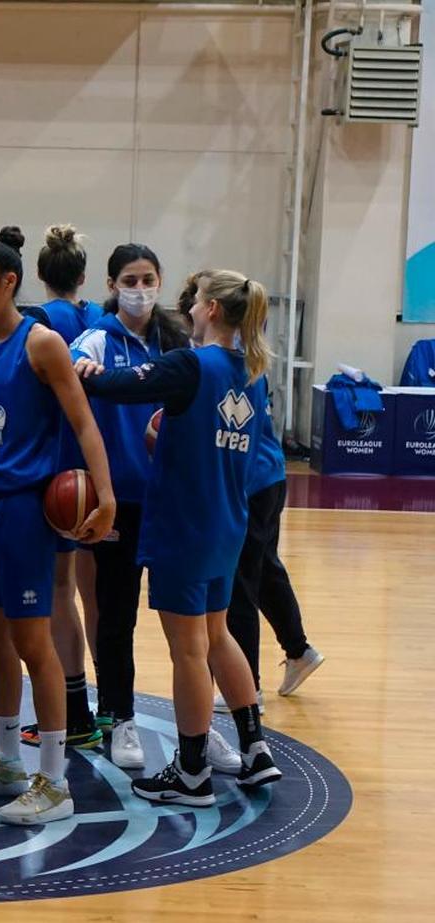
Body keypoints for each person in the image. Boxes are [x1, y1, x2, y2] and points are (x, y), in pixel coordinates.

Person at [79, 269, 283, 805]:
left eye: (193, 302)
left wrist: (84, 371)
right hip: (226, 524)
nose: (187, 310)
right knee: (217, 637)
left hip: (184, 526)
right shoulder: (253, 372)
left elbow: (121, 387)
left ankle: (191, 771)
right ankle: (255, 749)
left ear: (213, 309)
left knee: (189, 650)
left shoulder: (192, 364)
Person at [0, 229, 116, 825]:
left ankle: (54, 780)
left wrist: (106, 496)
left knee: (33, 643)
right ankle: (5, 761)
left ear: (9, 282)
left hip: (20, 509)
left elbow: (85, 423)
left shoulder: (42, 344)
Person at [65, 243, 191, 769]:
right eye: (130, 280)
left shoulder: (178, 342)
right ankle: (121, 718)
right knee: (115, 616)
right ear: (113, 284)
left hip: (171, 501)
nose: (140, 289)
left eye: (148, 279)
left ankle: (204, 728)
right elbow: (66, 377)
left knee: (189, 621)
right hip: (117, 502)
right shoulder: (94, 339)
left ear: (161, 281)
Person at [174, 276, 325, 707]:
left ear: (204, 312)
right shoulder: (240, 359)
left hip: (250, 482)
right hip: (268, 479)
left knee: (239, 584)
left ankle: (248, 683)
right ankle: (299, 650)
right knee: (263, 571)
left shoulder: (210, 364)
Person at [19, 225, 106, 751]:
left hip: (58, 474)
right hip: (97, 472)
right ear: (83, 275)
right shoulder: (99, 319)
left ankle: (74, 712)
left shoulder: (41, 327)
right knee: (96, 602)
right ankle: (108, 709)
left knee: (57, 594)